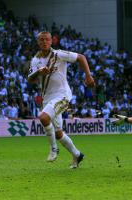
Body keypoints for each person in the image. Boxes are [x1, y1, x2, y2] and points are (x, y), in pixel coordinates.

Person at [28, 31, 95, 168]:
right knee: (58, 133)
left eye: (47, 39)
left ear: (51, 41)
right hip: (47, 98)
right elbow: (30, 79)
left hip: (62, 95)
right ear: (38, 42)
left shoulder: (59, 54)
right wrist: (38, 72)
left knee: (43, 117)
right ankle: (77, 155)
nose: (44, 42)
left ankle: (54, 149)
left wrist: (88, 76)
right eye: (41, 40)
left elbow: (81, 57)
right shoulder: (35, 60)